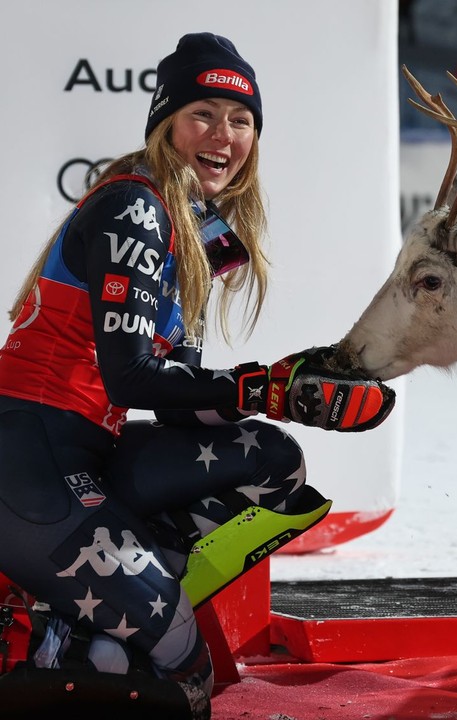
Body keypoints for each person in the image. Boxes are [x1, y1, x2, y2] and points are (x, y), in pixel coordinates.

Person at [0, 32, 394, 719]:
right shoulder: (134, 207)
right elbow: (133, 381)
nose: (223, 135)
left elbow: (180, 401)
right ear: (165, 125)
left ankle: (86, 613)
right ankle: (45, 625)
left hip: (86, 453)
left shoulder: (201, 233)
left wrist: (296, 383)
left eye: (241, 121)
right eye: (203, 115)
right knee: (184, 665)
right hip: (27, 458)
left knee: (274, 460)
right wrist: (264, 387)